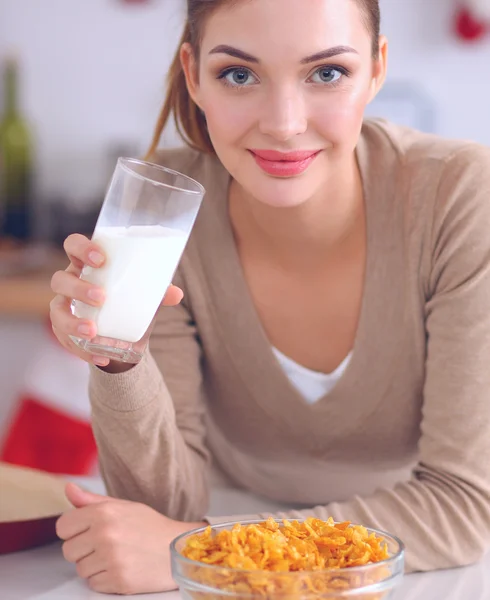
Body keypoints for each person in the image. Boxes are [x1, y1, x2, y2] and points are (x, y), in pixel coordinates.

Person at [49, 0, 490, 595]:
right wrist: (121, 358)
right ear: (194, 74)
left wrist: (216, 549)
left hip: (408, 557)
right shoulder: (162, 208)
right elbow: (157, 509)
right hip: (214, 528)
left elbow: (462, 505)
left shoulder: (461, 197)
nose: (284, 123)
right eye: (238, 74)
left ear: (377, 69)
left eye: (327, 73)